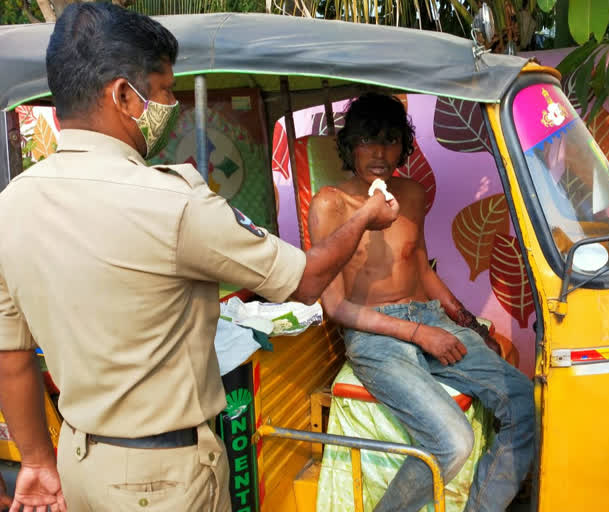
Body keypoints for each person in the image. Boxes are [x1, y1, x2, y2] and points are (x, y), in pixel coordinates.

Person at [0, 5, 398, 512]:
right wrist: (363, 217)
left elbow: (11, 357)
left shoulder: (11, 205)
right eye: (165, 90)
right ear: (124, 95)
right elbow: (306, 281)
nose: (171, 104)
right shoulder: (173, 203)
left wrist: (35, 460)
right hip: (161, 481)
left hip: (78, 467)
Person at [308, 93, 535, 512]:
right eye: (368, 140)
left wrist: (465, 319)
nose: (380, 153)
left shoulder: (411, 194)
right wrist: (418, 334)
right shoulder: (331, 204)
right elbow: (336, 307)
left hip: (429, 318)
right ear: (349, 145)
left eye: (391, 140)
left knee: (523, 399)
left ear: (403, 146)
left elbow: (421, 267)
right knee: (453, 441)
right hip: (375, 337)